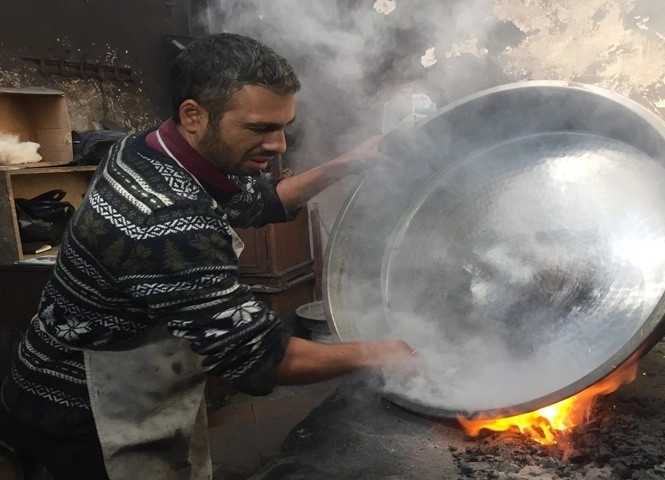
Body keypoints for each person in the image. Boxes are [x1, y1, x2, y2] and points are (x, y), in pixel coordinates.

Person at [0, 32, 416, 479]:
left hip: (120, 378)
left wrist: (347, 162)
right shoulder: (164, 220)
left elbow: (259, 201)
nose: (279, 145)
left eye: (283, 127)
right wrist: (392, 353)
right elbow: (260, 357)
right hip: (85, 413)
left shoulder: (152, 147)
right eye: (260, 128)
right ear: (194, 115)